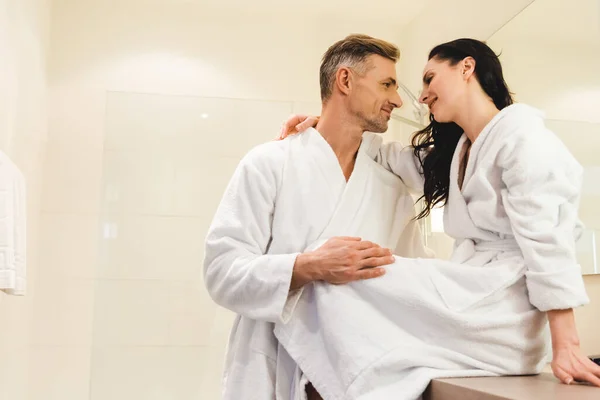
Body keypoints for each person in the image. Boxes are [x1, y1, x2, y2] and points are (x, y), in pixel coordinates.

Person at [277, 38, 600, 399]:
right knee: (333, 267)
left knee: (342, 272)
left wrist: (567, 345)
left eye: (430, 79)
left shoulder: (524, 139)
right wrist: (327, 127)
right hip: (480, 298)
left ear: (466, 67)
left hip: (508, 314)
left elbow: (548, 241)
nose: (422, 95)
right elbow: (389, 159)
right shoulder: (461, 150)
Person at [203, 34, 432, 400]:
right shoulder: (270, 163)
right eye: (387, 84)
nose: (397, 99)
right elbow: (220, 272)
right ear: (345, 80)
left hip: (362, 378)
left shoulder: (390, 185)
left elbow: (414, 281)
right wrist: (308, 266)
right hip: (274, 371)